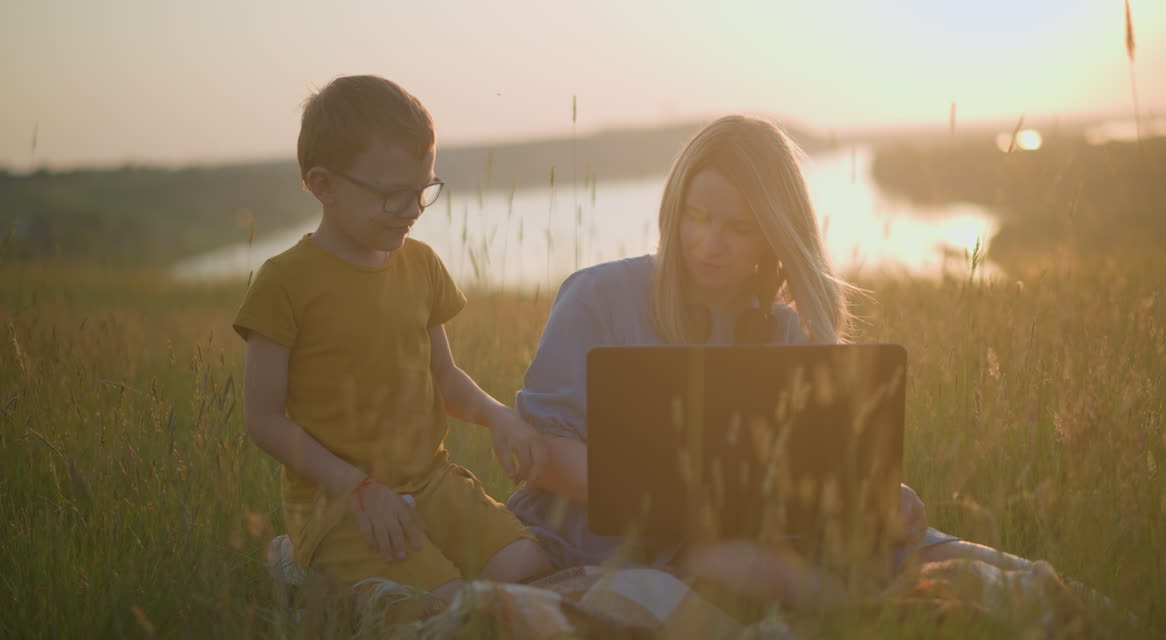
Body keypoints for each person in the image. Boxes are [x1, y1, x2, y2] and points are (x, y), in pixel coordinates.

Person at [507, 115, 1028, 611]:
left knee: (936, 549)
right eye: (697, 217)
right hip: (622, 540)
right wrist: (692, 503)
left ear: (775, 234)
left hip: (756, 532)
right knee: (768, 571)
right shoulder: (597, 298)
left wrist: (874, 493)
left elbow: (820, 468)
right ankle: (871, 617)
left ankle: (1049, 592)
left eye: (739, 227)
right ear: (673, 210)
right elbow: (543, 455)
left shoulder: (783, 327)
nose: (710, 245)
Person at [236, 75, 552, 607]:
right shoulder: (284, 283)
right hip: (340, 501)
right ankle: (300, 568)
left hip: (432, 482)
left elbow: (444, 376)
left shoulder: (421, 264)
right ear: (324, 186)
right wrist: (359, 489)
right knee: (446, 610)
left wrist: (499, 416)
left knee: (529, 570)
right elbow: (264, 420)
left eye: (423, 189)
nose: (413, 210)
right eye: (392, 195)